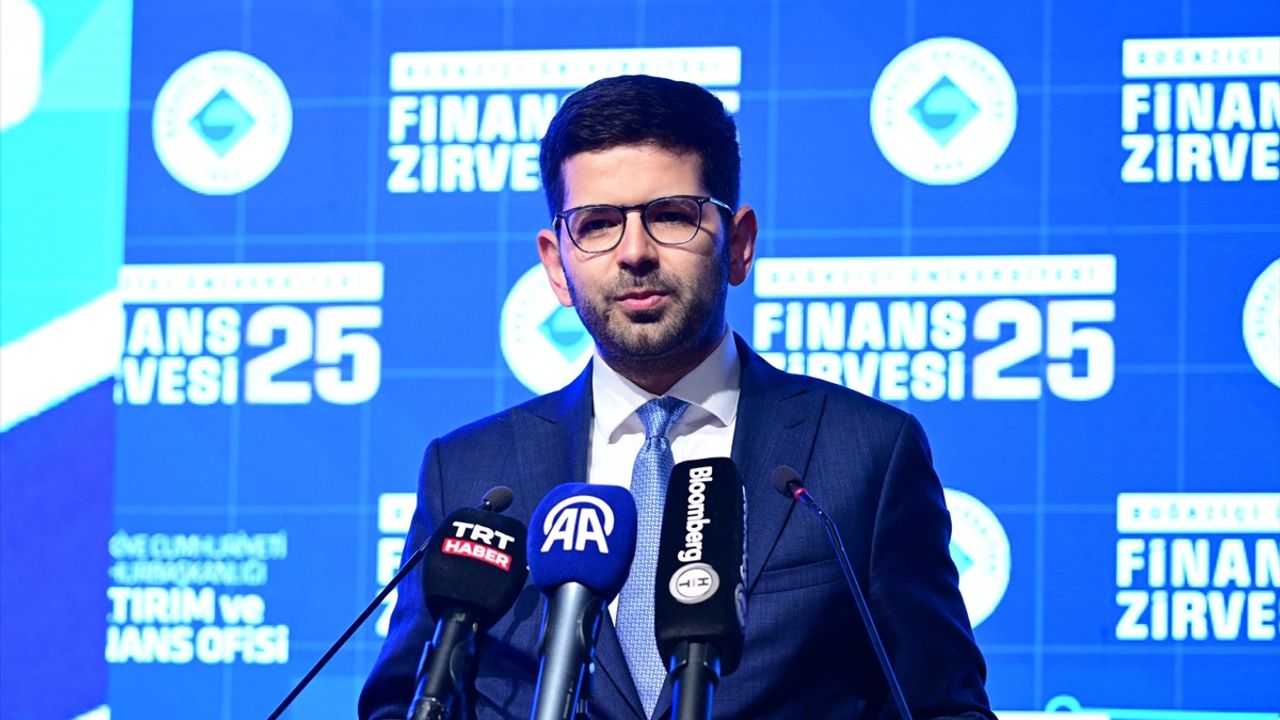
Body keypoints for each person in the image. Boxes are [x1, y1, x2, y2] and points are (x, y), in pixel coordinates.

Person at [360, 74, 994, 720]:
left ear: (739, 244)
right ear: (555, 264)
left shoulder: (864, 455)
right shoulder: (470, 475)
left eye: (670, 216)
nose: (634, 253)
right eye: (598, 224)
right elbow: (402, 705)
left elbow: (943, 709)